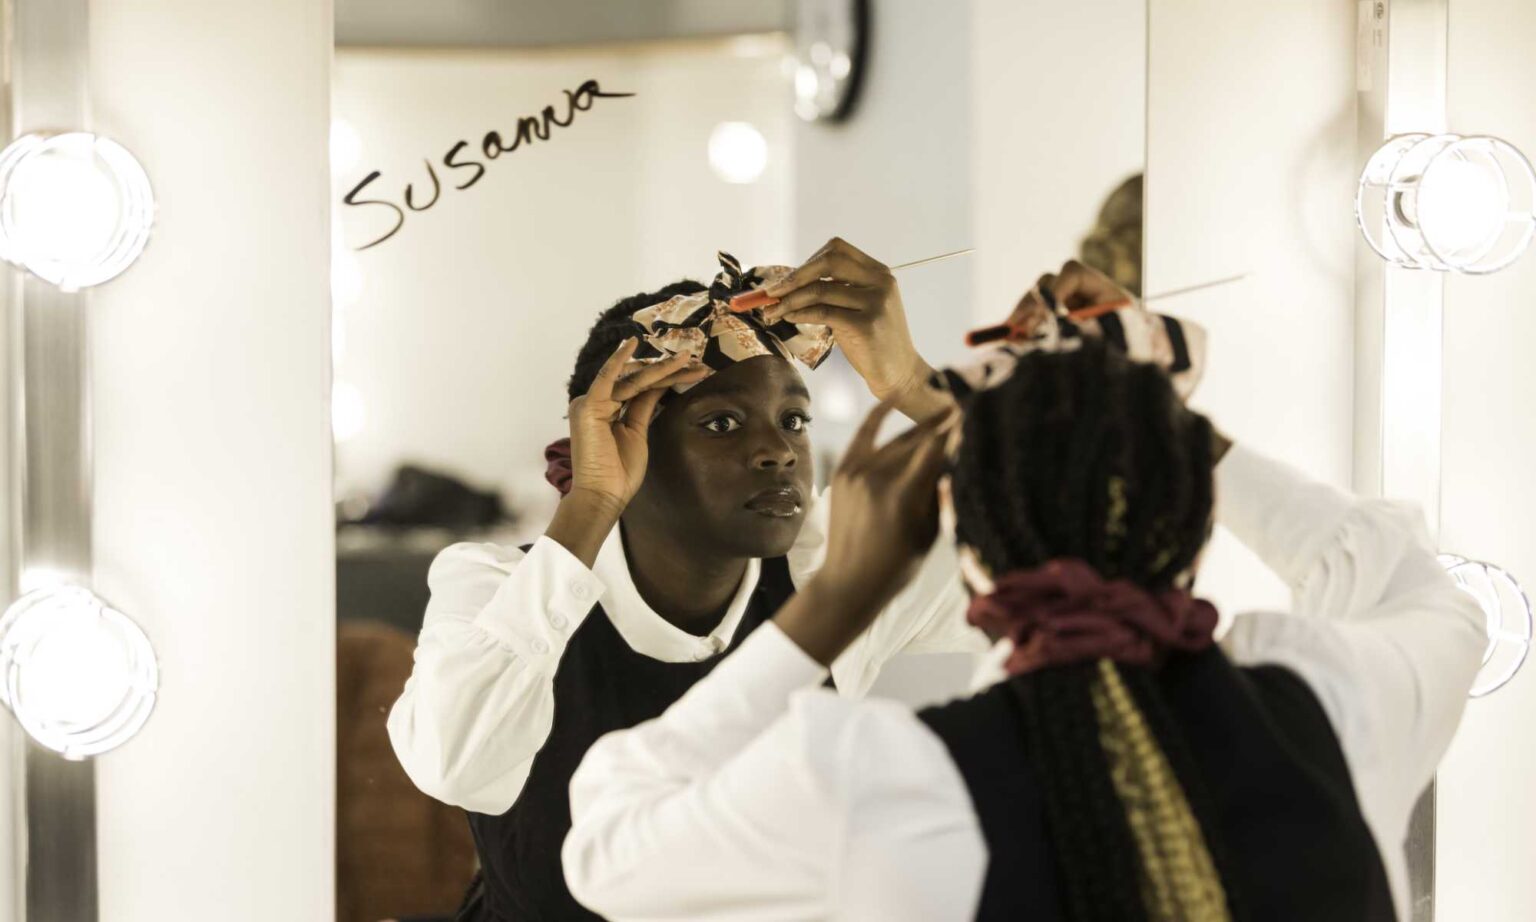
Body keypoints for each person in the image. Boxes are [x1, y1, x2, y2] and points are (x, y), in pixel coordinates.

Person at [562, 262, 1486, 922]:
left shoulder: (877, 784)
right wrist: (1144, 413)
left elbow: (608, 839)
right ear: (1194, 508)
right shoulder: (1332, 702)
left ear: (955, 544)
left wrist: (838, 595)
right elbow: (1406, 579)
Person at [387, 239, 988, 921]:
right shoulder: (500, 586)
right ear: (617, 441)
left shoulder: (830, 573)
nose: (778, 452)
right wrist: (590, 505)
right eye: (722, 422)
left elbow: (1064, 552)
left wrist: (914, 384)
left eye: (794, 420)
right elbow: (451, 762)